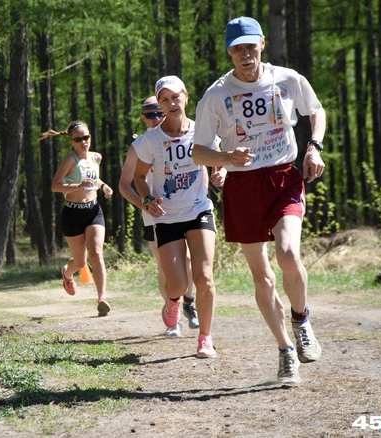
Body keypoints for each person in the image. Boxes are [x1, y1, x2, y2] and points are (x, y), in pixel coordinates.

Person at [192, 16, 325, 384]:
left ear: (262, 44)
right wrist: (226, 160)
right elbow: (199, 151)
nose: (245, 54)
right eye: (237, 49)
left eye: (250, 46)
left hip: (283, 176)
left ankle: (301, 320)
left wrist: (313, 147)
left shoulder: (287, 79)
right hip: (243, 186)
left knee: (288, 254)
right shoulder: (216, 95)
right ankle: (285, 351)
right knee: (263, 277)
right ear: (229, 52)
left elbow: (316, 110)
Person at [133, 75, 228, 358]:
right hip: (166, 217)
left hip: (199, 210)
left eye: (175, 97)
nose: (171, 103)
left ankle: (205, 338)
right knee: (177, 284)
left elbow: (218, 158)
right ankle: (173, 301)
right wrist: (148, 199)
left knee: (204, 276)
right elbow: (138, 177)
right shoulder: (152, 140)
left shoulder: (202, 131)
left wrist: (220, 170)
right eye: (164, 99)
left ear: (185, 96)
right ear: (160, 104)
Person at [119, 96, 200, 337]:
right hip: (156, 216)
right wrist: (145, 204)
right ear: (142, 118)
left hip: (188, 209)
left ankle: (189, 302)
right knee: (167, 266)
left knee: (187, 261)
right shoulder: (141, 144)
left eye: (158, 112)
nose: (155, 118)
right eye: (149, 114)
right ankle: (172, 319)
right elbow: (125, 184)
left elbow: (201, 169)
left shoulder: (188, 134)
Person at [42, 121, 114, 317]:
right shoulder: (70, 160)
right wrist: (78, 187)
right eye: (78, 139)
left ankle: (102, 298)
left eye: (86, 137)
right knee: (81, 262)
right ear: (71, 142)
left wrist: (103, 186)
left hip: (93, 211)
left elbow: (94, 179)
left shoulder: (95, 157)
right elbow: (55, 186)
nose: (84, 142)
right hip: (73, 214)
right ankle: (67, 273)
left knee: (97, 252)